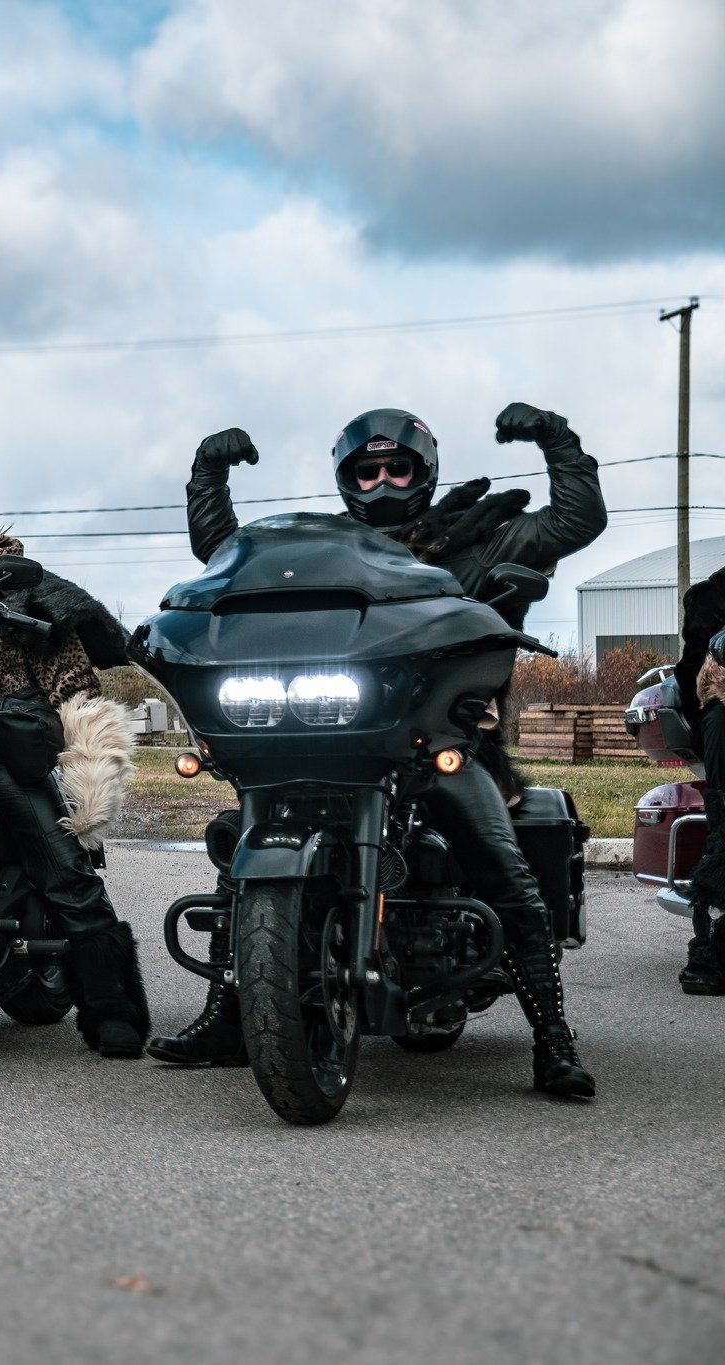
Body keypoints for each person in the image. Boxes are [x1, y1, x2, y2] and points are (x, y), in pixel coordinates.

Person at [152, 404, 603, 1098]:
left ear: (424, 471)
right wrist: (207, 476)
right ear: (347, 478)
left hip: (441, 741)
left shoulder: (479, 537)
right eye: (368, 470)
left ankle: (553, 1039)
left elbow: (575, 521)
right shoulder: (319, 550)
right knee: (239, 847)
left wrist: (557, 440)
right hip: (320, 732)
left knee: (503, 866)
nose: (383, 481)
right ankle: (227, 1019)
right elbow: (226, 557)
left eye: (398, 468)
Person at [0, 463, 149, 1058]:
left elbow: (72, 681)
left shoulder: (23, 588)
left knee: (62, 865)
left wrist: (89, 758)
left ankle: (114, 1009)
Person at [673, 564, 725, 994]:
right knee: (723, 841)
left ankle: (708, 956)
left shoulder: (709, 594)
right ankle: (708, 958)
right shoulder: (711, 597)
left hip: (713, 712)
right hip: (719, 710)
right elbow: (694, 668)